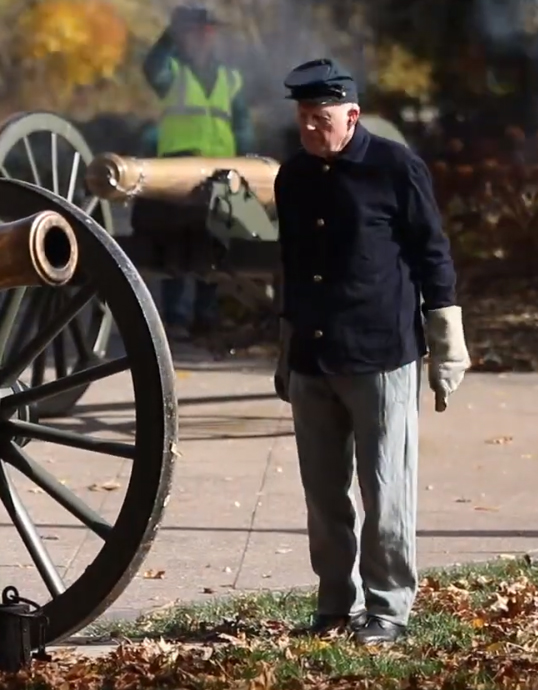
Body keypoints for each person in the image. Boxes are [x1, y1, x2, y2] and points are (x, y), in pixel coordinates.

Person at [272, 59, 469, 646]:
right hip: (312, 355)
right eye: (304, 118)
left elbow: (433, 254)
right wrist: (285, 352)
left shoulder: (395, 166)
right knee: (323, 495)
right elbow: (290, 268)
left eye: (321, 117)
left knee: (386, 489)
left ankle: (388, 608)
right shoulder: (292, 177)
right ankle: (335, 602)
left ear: (351, 115)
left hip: (381, 353)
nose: (310, 128)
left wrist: (447, 346)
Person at [141, 5, 254, 340]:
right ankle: (175, 319)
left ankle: (206, 317)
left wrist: (250, 164)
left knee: (215, 245)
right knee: (179, 241)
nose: (203, 38)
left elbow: (243, 126)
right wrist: (169, 33)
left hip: (222, 171)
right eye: (195, 32)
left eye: (207, 32)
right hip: (180, 167)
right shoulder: (172, 71)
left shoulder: (231, 79)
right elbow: (152, 67)